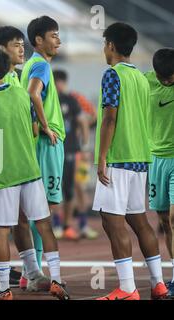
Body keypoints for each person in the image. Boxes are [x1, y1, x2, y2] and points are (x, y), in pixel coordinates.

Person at [0, 47, 69, 300]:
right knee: (44, 225)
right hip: (30, 170)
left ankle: (3, 289)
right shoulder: (23, 95)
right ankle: (56, 279)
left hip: (1, 174)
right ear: (8, 69)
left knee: (1, 231)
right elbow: (35, 130)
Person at [93, 22, 167, 300]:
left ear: (110, 45)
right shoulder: (140, 77)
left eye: (104, 44)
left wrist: (101, 158)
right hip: (141, 159)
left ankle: (127, 288)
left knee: (112, 221)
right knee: (140, 220)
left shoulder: (112, 75)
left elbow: (110, 117)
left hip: (118, 158)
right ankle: (158, 284)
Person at [0, 25, 51, 292]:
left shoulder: (16, 78)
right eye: (16, 44)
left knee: (22, 219)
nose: (21, 49)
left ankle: (33, 271)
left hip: (18, 159)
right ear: (1, 49)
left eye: (21, 44)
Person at [21, 16, 65, 271]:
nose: (58, 40)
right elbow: (32, 93)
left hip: (37, 142)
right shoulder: (41, 66)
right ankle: (34, 270)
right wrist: (47, 126)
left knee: (37, 209)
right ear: (39, 40)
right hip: (47, 143)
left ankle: (32, 269)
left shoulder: (31, 64)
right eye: (53, 35)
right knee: (42, 211)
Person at [145, 48, 174, 298]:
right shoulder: (146, 81)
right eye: (165, 78)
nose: (169, 81)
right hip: (155, 159)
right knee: (165, 221)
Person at [53, 70, 92, 240]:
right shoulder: (46, 99)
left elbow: (88, 118)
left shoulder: (73, 99)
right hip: (53, 151)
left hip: (72, 152)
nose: (58, 85)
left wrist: (84, 147)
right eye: (56, 81)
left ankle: (77, 225)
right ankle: (56, 224)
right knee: (54, 188)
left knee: (76, 188)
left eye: (61, 81)